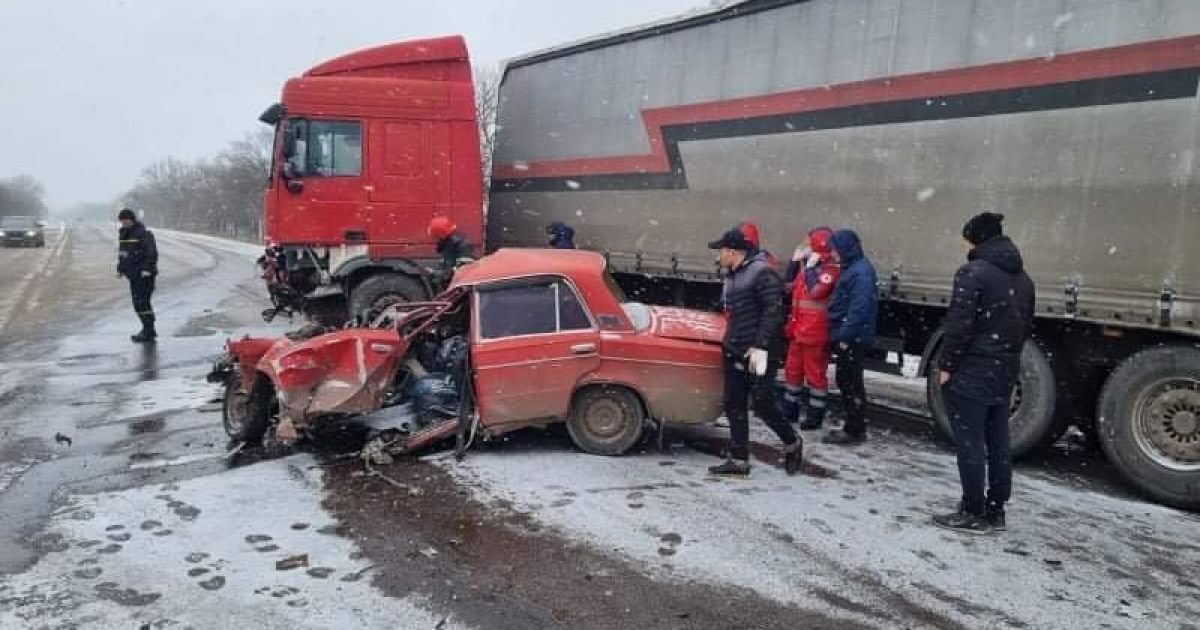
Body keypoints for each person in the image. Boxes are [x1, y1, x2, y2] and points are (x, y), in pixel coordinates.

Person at [933, 212, 1035, 534]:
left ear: (975, 239)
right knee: (998, 440)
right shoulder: (1024, 279)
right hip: (1004, 369)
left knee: (970, 442)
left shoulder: (971, 273)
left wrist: (947, 365)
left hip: (973, 368)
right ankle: (995, 509)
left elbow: (958, 327)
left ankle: (972, 510)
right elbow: (1025, 327)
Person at [706, 224, 803, 477]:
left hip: (759, 351)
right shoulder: (733, 274)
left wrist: (760, 345)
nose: (719, 256)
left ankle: (792, 441)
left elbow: (774, 310)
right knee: (734, 403)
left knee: (762, 402)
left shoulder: (762, 273)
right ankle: (739, 460)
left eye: (721, 251)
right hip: (735, 346)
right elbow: (732, 307)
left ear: (733, 252)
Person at [781, 227, 840, 429]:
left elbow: (816, 292)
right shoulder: (808, 267)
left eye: (808, 243)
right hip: (799, 330)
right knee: (792, 372)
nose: (804, 246)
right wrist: (794, 262)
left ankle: (815, 417)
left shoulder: (830, 270)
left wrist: (809, 269)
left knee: (815, 376)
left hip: (815, 333)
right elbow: (788, 287)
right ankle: (789, 411)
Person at [824, 229, 877, 445]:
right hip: (853, 334)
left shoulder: (859, 272)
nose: (832, 253)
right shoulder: (855, 269)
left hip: (854, 336)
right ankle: (854, 426)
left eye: (835, 249)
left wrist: (845, 336)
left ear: (845, 249)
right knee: (848, 380)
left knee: (849, 381)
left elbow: (859, 308)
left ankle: (855, 430)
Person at [116, 208, 159, 343]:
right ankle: (147, 329)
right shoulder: (123, 234)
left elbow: (152, 252)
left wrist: (147, 268)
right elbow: (123, 253)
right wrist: (120, 268)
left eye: (126, 220)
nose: (124, 223)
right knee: (137, 304)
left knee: (143, 303)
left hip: (145, 275)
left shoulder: (143, 233)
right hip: (133, 274)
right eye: (122, 221)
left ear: (132, 220)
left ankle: (149, 330)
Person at [428, 216, 475, 285]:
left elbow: (463, 270)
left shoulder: (463, 246)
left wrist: (438, 273)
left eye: (436, 236)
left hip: (460, 283)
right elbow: (446, 262)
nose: (435, 238)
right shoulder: (447, 242)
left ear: (441, 235)